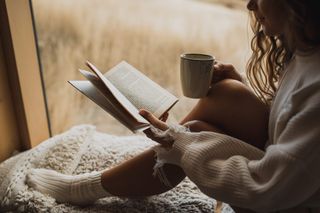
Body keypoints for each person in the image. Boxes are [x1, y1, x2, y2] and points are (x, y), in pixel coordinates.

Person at [27, 0, 320, 212]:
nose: (249, 5)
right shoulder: (307, 54)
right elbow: (290, 120)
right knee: (226, 94)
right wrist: (239, 84)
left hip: (288, 201)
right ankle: (148, 162)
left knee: (189, 135)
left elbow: (268, 188)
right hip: (292, 182)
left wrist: (183, 146)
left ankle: (84, 189)